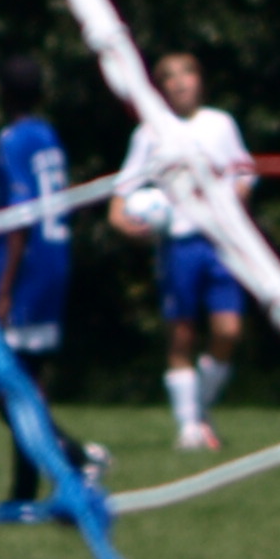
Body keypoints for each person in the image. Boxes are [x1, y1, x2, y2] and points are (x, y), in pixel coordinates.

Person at [111, 50, 255, 454]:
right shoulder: (150, 134)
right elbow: (121, 199)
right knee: (182, 336)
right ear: (159, 89)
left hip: (222, 243)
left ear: (200, 80)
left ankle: (197, 412)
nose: (179, 83)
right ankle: (189, 429)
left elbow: (244, 173)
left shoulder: (220, 124)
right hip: (179, 244)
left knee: (229, 330)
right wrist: (129, 224)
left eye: (187, 74)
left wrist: (233, 203)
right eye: (169, 77)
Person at [0, 54, 107, 506]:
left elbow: (20, 217)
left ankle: (74, 456)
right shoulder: (49, 136)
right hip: (56, 261)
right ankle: (25, 493)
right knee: (25, 379)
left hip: (28, 268)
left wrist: (5, 290)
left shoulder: (11, 141)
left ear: (2, 94)